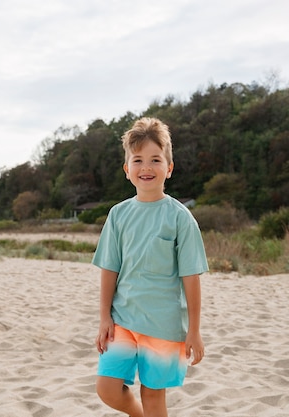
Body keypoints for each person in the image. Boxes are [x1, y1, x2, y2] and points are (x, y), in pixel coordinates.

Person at [92, 117, 209, 417]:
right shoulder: (118, 215)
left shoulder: (181, 218)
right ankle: (137, 414)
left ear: (169, 167)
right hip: (123, 320)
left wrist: (193, 330)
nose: (146, 167)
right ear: (127, 169)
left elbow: (191, 278)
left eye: (156, 159)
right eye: (138, 160)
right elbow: (109, 269)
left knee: (153, 396)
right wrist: (104, 316)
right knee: (107, 388)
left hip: (163, 324)